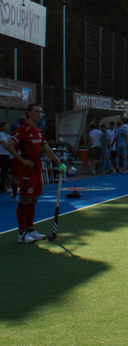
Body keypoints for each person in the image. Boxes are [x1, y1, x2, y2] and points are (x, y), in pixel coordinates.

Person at [7, 103, 67, 243]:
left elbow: (47, 149)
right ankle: (21, 234)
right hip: (26, 169)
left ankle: (30, 229)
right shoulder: (23, 130)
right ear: (29, 113)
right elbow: (10, 144)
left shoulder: (39, 131)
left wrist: (59, 162)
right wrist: (22, 160)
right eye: (36, 111)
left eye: (40, 112)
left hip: (37, 168)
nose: (39, 114)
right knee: (25, 198)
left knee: (34, 198)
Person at [0, 121, 12, 193]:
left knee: (6, 171)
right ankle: (2, 186)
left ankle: (6, 186)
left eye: (8, 126)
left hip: (7, 155)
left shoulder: (7, 135)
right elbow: (5, 144)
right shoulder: (1, 134)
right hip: (2, 154)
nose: (7, 128)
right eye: (5, 126)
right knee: (4, 171)